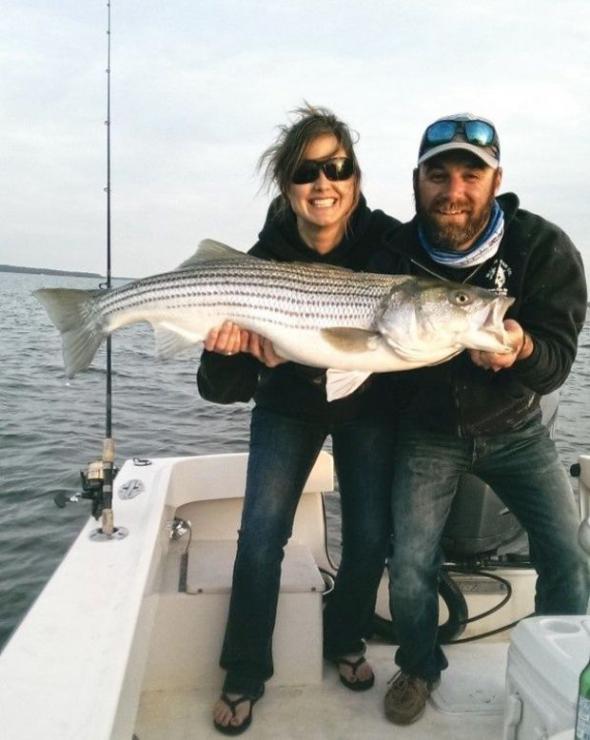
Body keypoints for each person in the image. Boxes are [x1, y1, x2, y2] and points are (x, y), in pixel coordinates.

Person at [372, 112, 589, 725]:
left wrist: (520, 350)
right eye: (438, 174)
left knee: (566, 556)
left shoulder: (541, 247)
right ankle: (419, 664)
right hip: (426, 434)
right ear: (417, 181)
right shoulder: (392, 251)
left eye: (472, 172)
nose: (454, 189)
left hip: (517, 428)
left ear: (496, 179)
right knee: (411, 563)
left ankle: (555, 668)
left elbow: (556, 363)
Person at [197, 105, 400, 735]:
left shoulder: (391, 243)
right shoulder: (260, 258)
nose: (323, 183)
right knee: (261, 536)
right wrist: (229, 349)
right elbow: (219, 388)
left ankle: (343, 637)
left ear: (356, 177)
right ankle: (245, 670)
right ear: (288, 187)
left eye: (337, 166)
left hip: (368, 406)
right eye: (307, 172)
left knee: (370, 536)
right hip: (288, 407)